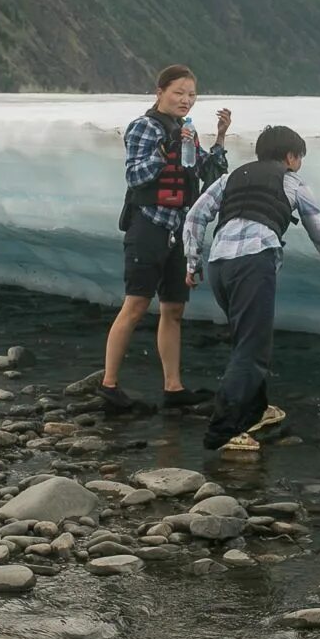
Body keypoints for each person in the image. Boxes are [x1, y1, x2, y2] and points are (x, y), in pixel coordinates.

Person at [183, 124, 320, 451]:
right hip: (254, 262)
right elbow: (319, 232)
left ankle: (256, 411)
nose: (300, 164)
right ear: (291, 157)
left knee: (245, 341)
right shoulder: (292, 182)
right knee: (252, 350)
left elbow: (196, 216)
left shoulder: (231, 177)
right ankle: (224, 430)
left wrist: (192, 262)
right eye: (300, 158)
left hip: (220, 265)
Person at [99, 64, 232, 414]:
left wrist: (219, 137)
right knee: (137, 304)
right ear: (159, 92)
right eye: (179, 93)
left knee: (174, 308)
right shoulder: (143, 127)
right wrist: (164, 149)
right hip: (148, 225)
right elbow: (134, 175)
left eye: (191, 94)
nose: (186, 100)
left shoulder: (189, 131)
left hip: (180, 227)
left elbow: (208, 172)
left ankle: (173, 387)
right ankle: (109, 384)